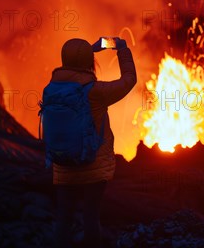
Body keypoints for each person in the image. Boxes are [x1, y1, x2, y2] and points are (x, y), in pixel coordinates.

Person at [50, 37, 137, 248]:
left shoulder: (51, 89)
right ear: (89, 62)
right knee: (91, 217)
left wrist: (86, 51)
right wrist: (122, 50)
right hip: (93, 167)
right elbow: (129, 80)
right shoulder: (95, 92)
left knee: (64, 219)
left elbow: (73, 67)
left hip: (63, 165)